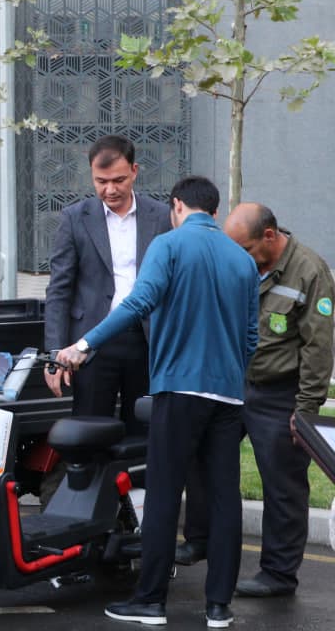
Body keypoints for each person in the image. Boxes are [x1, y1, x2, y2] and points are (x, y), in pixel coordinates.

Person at [56, 176, 257, 628]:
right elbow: (250, 338)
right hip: (228, 395)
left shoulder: (167, 245)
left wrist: (84, 344)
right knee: (224, 498)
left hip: (179, 389)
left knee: (165, 494)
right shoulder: (243, 260)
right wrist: (229, 372)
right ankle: (219, 607)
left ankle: (150, 601)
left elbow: (137, 302)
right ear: (215, 211)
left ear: (177, 206)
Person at [175, 203, 334, 597]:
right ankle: (199, 539)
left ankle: (278, 573)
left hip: (280, 393)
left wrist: (305, 411)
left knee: (282, 482)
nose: (239, 257)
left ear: (269, 236)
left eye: (245, 249)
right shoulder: (239, 261)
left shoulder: (309, 271)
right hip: (232, 383)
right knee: (201, 455)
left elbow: (318, 348)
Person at [44, 135, 171, 434]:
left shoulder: (161, 217)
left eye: (118, 180)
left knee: (145, 429)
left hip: (146, 339)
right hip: (91, 342)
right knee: (89, 429)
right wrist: (54, 354)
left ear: (135, 171)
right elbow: (59, 289)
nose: (110, 189)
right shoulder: (75, 218)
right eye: (101, 181)